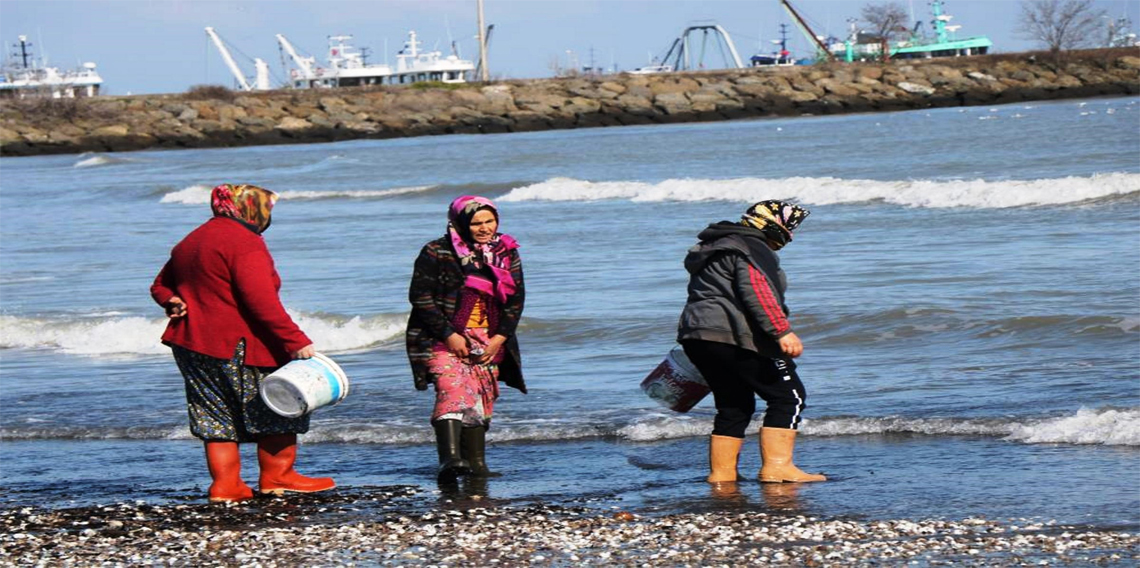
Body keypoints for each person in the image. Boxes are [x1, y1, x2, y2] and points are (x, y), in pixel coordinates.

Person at [151, 183, 335, 503]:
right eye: (267, 209)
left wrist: (171, 300)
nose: (268, 217)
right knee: (276, 404)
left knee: (214, 413)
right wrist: (295, 340)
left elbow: (160, 284)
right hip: (239, 343)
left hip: (192, 342)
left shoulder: (190, 241)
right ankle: (278, 476)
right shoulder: (245, 243)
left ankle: (226, 486)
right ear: (251, 208)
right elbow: (259, 301)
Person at [677, 200, 826, 484]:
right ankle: (777, 468)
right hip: (735, 335)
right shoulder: (751, 247)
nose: (791, 235)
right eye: (790, 227)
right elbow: (757, 292)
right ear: (773, 225)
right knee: (789, 396)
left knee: (734, 403)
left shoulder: (714, 247)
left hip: (697, 335)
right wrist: (781, 331)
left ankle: (722, 475)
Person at [406, 195, 527, 483]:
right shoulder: (436, 251)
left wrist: (499, 338)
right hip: (440, 336)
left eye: (489, 220)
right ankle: (449, 460)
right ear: (461, 222)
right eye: (476, 223)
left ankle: (477, 466)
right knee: (452, 389)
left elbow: (516, 299)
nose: (485, 228)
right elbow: (420, 297)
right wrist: (449, 335)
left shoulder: (507, 251)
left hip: (489, 339)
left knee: (481, 397)